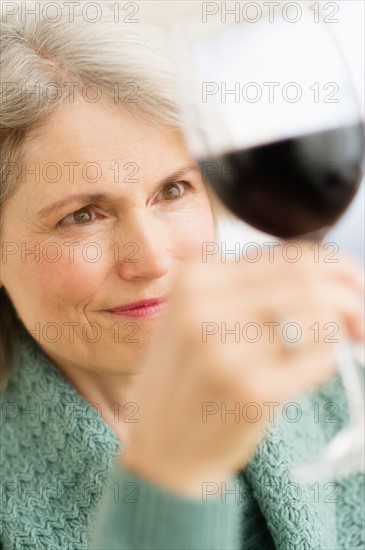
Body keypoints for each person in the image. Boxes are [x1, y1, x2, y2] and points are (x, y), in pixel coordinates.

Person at [0, 6, 364, 550]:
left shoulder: (324, 380)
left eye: (173, 191)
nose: (152, 259)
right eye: (82, 215)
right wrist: (172, 478)